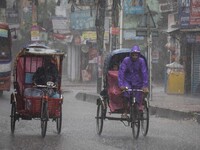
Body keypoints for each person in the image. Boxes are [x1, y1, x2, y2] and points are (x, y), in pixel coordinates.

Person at [118, 45, 149, 118]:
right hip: (127, 81)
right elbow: (121, 72)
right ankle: (125, 112)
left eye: (136, 55)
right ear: (131, 54)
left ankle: (138, 109)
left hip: (138, 82)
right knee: (125, 93)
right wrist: (121, 85)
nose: (135, 56)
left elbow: (144, 73)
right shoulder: (126, 60)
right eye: (133, 55)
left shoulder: (141, 61)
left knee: (139, 96)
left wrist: (145, 86)